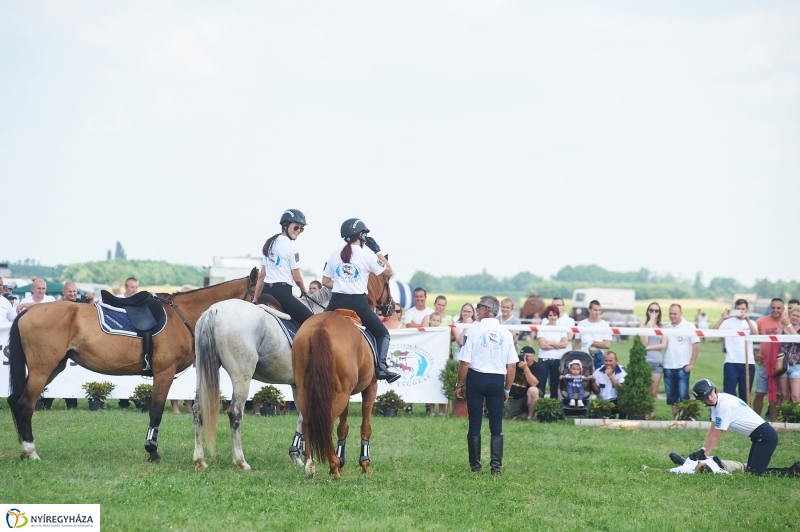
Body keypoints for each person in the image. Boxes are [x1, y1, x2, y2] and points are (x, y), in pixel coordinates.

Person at [321, 218, 398, 383]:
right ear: (361, 236)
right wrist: (377, 250)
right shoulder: (367, 255)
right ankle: (382, 368)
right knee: (382, 333)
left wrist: (342, 283)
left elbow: (325, 282)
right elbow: (389, 272)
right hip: (358, 305)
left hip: (335, 302)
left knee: (317, 328)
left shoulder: (334, 254)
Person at [455, 295, 516, 475]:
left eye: (478, 306)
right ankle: (496, 468)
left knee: (475, 422)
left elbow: (464, 362)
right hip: (497, 380)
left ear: (486, 309)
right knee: (496, 424)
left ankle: (475, 467)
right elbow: (511, 365)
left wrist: (459, 384)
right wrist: (507, 388)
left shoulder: (474, 330)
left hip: (476, 378)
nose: (476, 309)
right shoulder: (505, 333)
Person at [690, 379, 778, 476]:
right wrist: (703, 449)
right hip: (759, 437)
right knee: (750, 470)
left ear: (714, 390)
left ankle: (793, 471)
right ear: (702, 400)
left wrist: (704, 455)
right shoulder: (716, 404)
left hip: (766, 436)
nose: (710, 399)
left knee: (755, 474)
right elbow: (712, 430)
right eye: (706, 398)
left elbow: (716, 435)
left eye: (710, 394)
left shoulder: (723, 406)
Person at [252, 209, 313, 325]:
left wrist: (256, 298)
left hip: (266, 293)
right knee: (312, 321)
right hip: (283, 295)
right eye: (296, 227)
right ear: (285, 225)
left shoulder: (269, 244)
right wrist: (303, 289)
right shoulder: (291, 247)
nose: (298, 231)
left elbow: (262, 276)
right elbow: (297, 278)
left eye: (301, 229)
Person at [713, 298, 759, 404]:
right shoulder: (728, 322)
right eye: (738, 309)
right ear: (734, 309)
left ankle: (743, 417)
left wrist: (747, 320)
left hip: (748, 362)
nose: (741, 311)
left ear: (747, 309)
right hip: (731, 362)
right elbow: (714, 334)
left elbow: (756, 336)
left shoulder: (751, 322)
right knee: (729, 394)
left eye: (743, 309)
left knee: (745, 394)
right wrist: (722, 318)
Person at [663, 304, 699, 416]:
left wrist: (691, 363)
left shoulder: (689, 326)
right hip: (668, 365)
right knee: (671, 395)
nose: (672, 316)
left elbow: (696, 344)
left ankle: (685, 416)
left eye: (675, 314)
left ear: (681, 313)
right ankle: (676, 417)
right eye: (670, 313)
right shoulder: (666, 328)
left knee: (683, 394)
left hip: (683, 366)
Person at [753, 298, 785, 421]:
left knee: (776, 395)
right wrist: (754, 355)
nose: (775, 310)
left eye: (778, 308)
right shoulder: (761, 321)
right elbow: (747, 338)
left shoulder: (786, 323)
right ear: (770, 308)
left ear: (783, 309)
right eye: (773, 307)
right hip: (764, 364)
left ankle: (773, 422)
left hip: (780, 365)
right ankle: (755, 420)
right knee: (760, 393)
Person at [537, 304, 569, 399]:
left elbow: (564, 344)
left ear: (557, 316)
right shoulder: (542, 328)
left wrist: (550, 343)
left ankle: (553, 407)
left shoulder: (561, 328)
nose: (552, 317)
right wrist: (557, 345)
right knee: (541, 384)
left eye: (554, 315)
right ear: (547, 316)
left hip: (557, 360)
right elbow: (542, 345)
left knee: (554, 386)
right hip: (544, 359)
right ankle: (540, 406)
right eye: (550, 315)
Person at [640, 302, 666, 418]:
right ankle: (644, 413)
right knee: (644, 390)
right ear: (647, 311)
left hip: (657, 361)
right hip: (645, 361)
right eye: (651, 310)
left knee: (654, 391)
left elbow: (663, 345)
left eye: (656, 311)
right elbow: (643, 342)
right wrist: (647, 327)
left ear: (659, 313)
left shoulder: (663, 327)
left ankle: (652, 414)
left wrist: (648, 348)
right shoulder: (643, 325)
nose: (654, 313)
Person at [505, 346, 545, 421]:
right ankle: (521, 415)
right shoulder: (514, 365)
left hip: (527, 397)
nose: (525, 358)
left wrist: (525, 368)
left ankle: (530, 417)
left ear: (533, 356)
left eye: (527, 356)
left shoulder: (538, 368)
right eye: (523, 356)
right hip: (514, 398)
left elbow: (534, 384)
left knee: (533, 390)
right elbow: (504, 378)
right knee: (504, 415)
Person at [575, 300, 612, 371]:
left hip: (599, 355)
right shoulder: (582, 324)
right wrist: (574, 357)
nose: (597, 312)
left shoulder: (604, 325)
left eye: (599, 310)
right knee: (585, 379)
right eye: (595, 310)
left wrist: (589, 342)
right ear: (589, 310)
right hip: (585, 354)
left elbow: (607, 345)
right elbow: (577, 343)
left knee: (598, 379)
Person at [779, 306, 800, 402]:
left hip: (796, 365)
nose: (795, 317)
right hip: (782, 365)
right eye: (793, 315)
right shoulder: (784, 328)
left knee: (796, 396)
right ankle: (785, 417)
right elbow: (776, 342)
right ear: (789, 315)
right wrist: (781, 328)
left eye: (798, 316)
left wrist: (789, 325)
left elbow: (797, 340)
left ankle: (796, 417)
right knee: (784, 395)